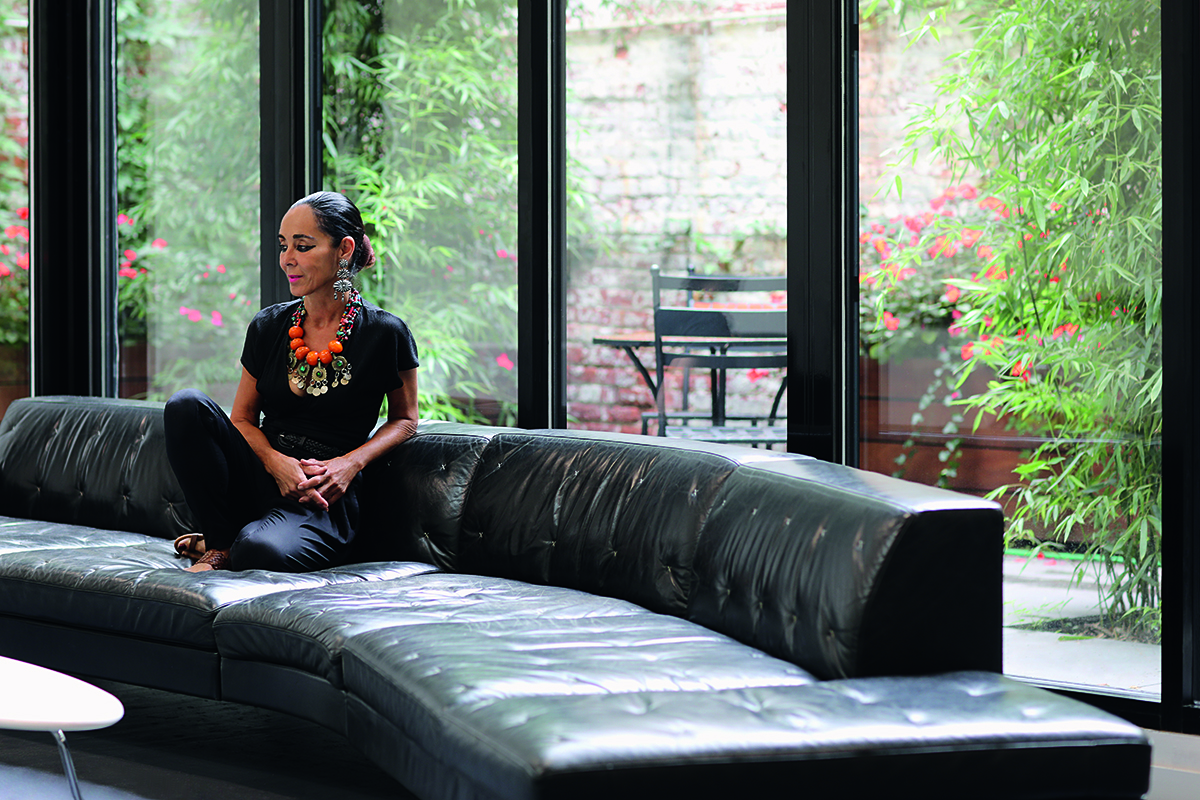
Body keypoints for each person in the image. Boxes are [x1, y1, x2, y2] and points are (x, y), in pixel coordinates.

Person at [164, 191, 419, 573]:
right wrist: (275, 462)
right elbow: (243, 419)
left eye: (302, 246)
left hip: (321, 493)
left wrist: (349, 464)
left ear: (344, 248)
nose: (287, 259)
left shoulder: (386, 332)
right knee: (185, 406)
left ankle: (238, 540)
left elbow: (406, 419)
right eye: (284, 246)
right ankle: (219, 545)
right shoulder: (268, 326)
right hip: (262, 470)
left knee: (259, 551)